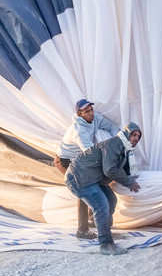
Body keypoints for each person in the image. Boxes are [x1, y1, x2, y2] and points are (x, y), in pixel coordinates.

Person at [65, 123, 143, 255]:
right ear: (126, 134)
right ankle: (106, 244)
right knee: (101, 206)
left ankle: (101, 230)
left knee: (111, 200)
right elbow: (110, 169)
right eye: (133, 134)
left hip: (92, 177)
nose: (136, 138)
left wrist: (130, 177)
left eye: (138, 136)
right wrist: (128, 182)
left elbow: (120, 168)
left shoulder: (124, 149)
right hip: (79, 176)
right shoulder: (115, 144)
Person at [54, 99, 119, 239]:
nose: (91, 113)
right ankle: (82, 230)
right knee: (83, 189)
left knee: (93, 187)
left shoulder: (95, 119)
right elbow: (90, 152)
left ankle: (93, 219)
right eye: (87, 111)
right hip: (65, 161)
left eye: (91, 110)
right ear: (79, 114)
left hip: (80, 160)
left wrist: (121, 140)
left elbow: (112, 127)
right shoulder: (79, 130)